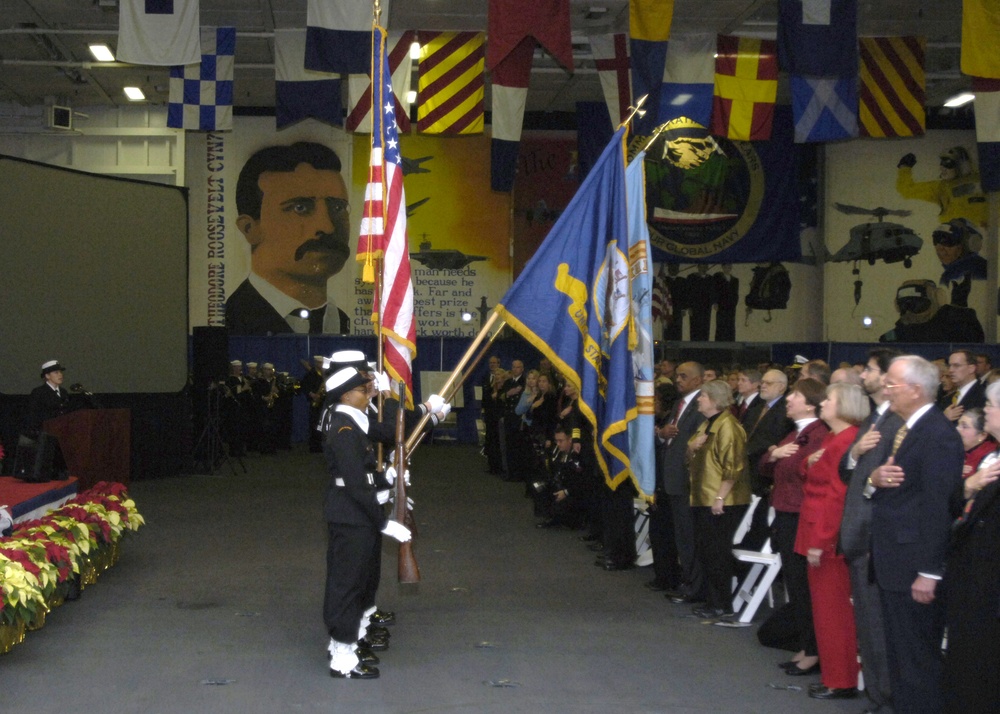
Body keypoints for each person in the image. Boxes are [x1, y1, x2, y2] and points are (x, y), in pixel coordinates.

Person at [868, 355, 965, 714]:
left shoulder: (938, 435)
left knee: (917, 658)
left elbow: (938, 507)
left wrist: (929, 570)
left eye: (892, 383)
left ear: (917, 389)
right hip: (895, 558)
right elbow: (894, 487)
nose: (885, 389)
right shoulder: (904, 427)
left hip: (914, 564)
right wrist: (873, 479)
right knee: (900, 653)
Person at [321, 367, 411, 679]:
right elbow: (354, 483)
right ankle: (342, 657)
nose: (368, 394)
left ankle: (346, 642)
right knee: (347, 585)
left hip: (354, 513)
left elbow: (364, 474)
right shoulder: (345, 430)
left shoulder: (352, 422)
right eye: (363, 390)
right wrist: (382, 521)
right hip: (352, 515)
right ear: (346, 394)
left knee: (358, 581)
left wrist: (387, 479)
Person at [225, 142, 352, 336]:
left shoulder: (342, 323)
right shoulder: (231, 322)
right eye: (300, 208)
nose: (327, 227)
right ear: (250, 229)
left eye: (337, 208)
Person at [837, 347, 901, 714]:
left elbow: (890, 481)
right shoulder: (874, 418)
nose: (862, 377)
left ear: (889, 378)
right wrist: (855, 453)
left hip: (877, 537)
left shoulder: (895, 422)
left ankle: (888, 700)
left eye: (870, 371)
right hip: (860, 534)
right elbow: (850, 472)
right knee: (868, 625)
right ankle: (878, 697)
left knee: (878, 628)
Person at [796, 383, 869, 700]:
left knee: (833, 612)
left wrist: (821, 540)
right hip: (815, 526)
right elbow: (810, 469)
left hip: (826, 536)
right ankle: (833, 675)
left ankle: (841, 680)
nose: (822, 403)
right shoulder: (833, 438)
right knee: (824, 611)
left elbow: (838, 498)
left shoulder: (847, 440)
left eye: (829, 399)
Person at [757, 378, 828, 677]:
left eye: (794, 396)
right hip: (786, 512)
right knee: (795, 585)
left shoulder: (818, 434)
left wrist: (781, 457)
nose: (788, 400)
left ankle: (813, 649)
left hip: (802, 514)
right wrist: (773, 454)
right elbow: (764, 467)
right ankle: (806, 644)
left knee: (804, 585)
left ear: (811, 403)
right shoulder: (794, 433)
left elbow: (806, 471)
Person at [942, 381, 1000, 713]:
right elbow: (955, 502)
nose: (986, 410)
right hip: (971, 577)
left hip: (989, 583)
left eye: (990, 405)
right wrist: (969, 487)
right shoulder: (991, 455)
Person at [685, 379, 751, 620]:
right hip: (704, 496)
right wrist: (691, 447)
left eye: (702, 396)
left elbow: (733, 466)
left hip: (723, 500)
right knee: (707, 551)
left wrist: (720, 497)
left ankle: (722, 603)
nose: (699, 400)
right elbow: (692, 456)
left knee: (717, 553)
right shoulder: (707, 424)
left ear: (714, 400)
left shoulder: (728, 426)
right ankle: (712, 599)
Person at [653, 362, 706, 599]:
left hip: (687, 480)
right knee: (679, 536)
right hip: (671, 476)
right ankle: (685, 580)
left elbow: (699, 444)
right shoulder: (678, 403)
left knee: (689, 537)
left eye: (684, 376)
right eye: (677, 376)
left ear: (698, 380)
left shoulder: (701, 406)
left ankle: (694, 586)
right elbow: (672, 435)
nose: (678, 380)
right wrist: (662, 433)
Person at [25, 360, 70, 437]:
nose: (60, 375)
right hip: (46, 434)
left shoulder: (63, 392)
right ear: (47, 376)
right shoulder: (39, 392)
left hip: (62, 432)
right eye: (56, 372)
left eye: (60, 372)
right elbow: (33, 414)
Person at [942, 349, 986, 422]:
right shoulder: (947, 399)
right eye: (949, 366)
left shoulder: (984, 396)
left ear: (971, 368)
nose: (950, 370)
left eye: (956, 365)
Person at [956, 408, 995, 477]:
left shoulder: (990, 458)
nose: (957, 429)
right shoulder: (951, 447)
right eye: (958, 424)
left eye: (964, 426)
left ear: (982, 436)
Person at [300, 355, 326, 453]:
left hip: (324, 402)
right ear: (315, 363)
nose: (321, 365)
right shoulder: (310, 374)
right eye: (319, 363)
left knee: (323, 424)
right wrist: (312, 394)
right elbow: (304, 386)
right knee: (314, 424)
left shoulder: (325, 374)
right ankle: (314, 446)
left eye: (322, 363)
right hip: (315, 401)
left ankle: (322, 445)